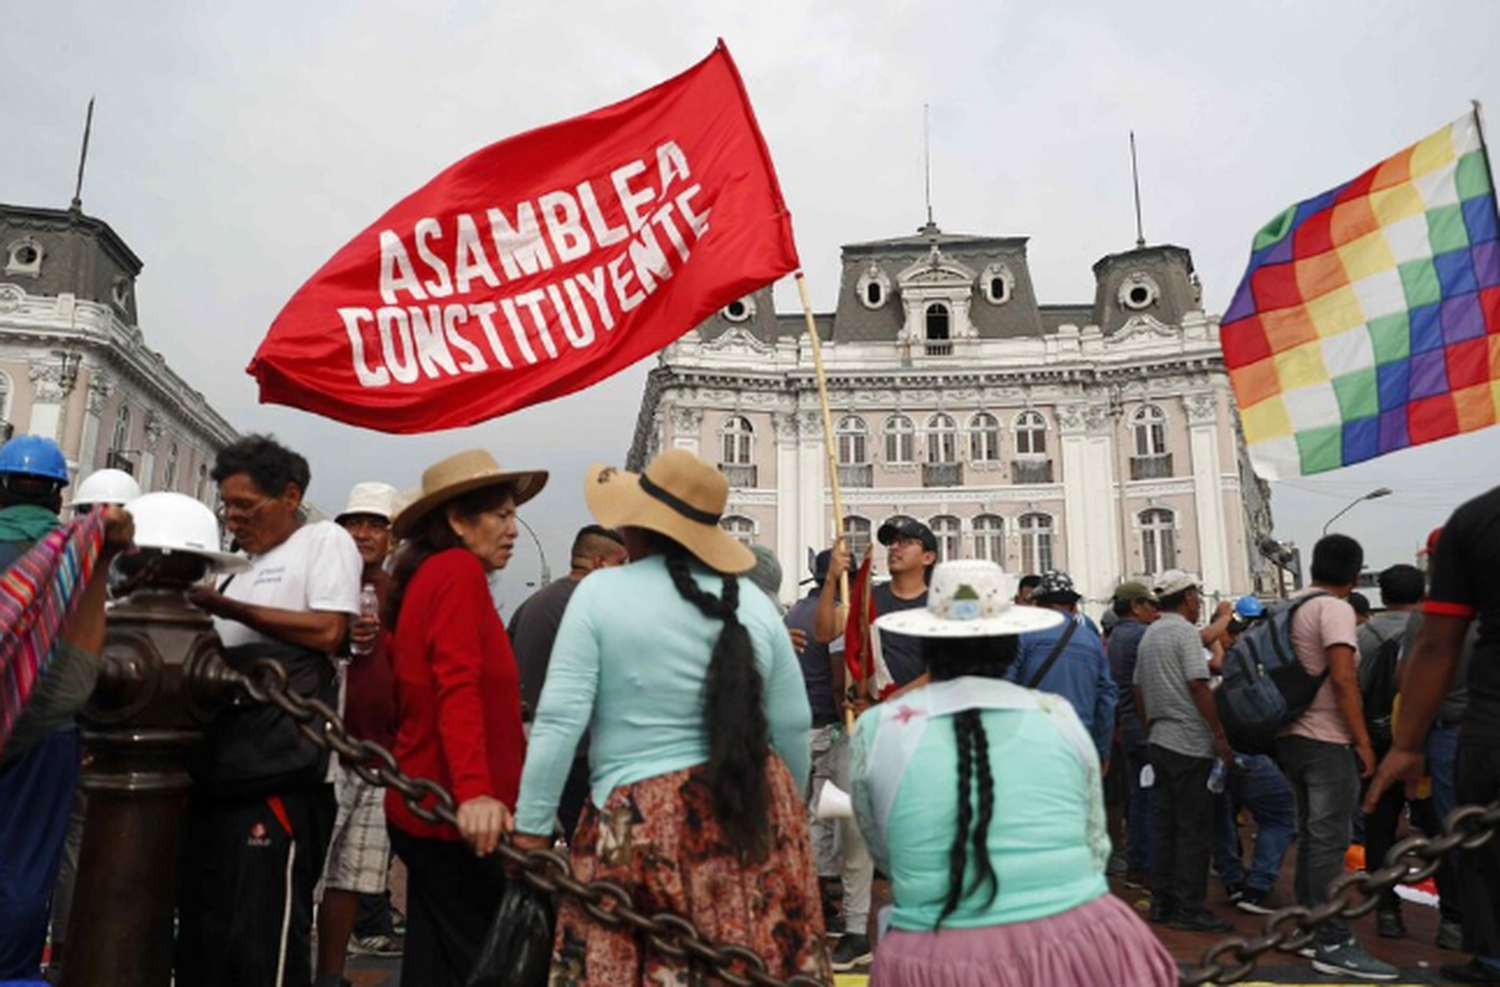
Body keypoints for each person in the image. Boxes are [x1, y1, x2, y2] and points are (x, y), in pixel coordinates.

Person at [510, 449, 828, 985]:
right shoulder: (753, 605)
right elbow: (792, 724)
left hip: (633, 819)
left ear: (638, 526)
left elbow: (560, 720)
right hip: (752, 806)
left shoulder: (600, 594)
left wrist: (532, 830)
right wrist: (784, 813)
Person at [850, 559, 1178, 986]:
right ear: (1009, 642)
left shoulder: (878, 728)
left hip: (936, 953)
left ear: (928, 644)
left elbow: (885, 849)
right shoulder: (1057, 715)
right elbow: (1094, 843)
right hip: (1082, 945)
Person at [179, 435, 363, 987]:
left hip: (282, 775)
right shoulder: (233, 571)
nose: (234, 519)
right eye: (228, 507)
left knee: (265, 937)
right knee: (206, 931)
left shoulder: (322, 543)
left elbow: (331, 630)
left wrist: (228, 607)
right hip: (219, 775)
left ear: (289, 496)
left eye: (246, 506)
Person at [384, 449, 545, 987]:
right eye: (500, 515)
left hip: (435, 806)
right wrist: (475, 792)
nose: (513, 530)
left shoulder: (433, 575)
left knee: (437, 964)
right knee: (485, 966)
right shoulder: (455, 572)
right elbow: (457, 687)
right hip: (460, 816)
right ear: (456, 519)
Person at [0, 436, 135, 981]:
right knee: (27, 863)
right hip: (48, 731)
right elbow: (83, 660)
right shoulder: (71, 555)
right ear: (57, 496)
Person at [1367, 491, 1500, 985]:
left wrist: (1405, 746)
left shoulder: (1477, 521)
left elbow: (1428, 658)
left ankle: (1482, 948)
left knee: (1466, 837)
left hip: (1471, 732)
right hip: (1471, 728)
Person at [816, 517, 938, 970]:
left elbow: (942, 670)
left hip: (917, 732)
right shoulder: (868, 596)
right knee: (854, 831)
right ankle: (853, 931)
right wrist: (832, 579)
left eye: (907, 542)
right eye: (891, 542)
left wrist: (888, 703)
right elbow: (827, 631)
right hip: (862, 730)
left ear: (928, 556)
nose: (896, 548)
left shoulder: (938, 607)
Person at [1274, 534, 1395, 980]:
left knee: (1312, 837)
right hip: (1326, 738)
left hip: (1289, 734)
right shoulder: (1335, 608)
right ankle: (1332, 940)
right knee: (1330, 840)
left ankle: (1311, 927)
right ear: (1354, 572)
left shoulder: (1288, 607)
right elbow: (1344, 679)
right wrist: (1363, 741)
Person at [45, 465, 143, 974]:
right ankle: (69, 948)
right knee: (79, 849)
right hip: (89, 734)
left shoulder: (51, 568)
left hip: (54, 732)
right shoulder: (133, 580)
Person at [315, 482, 404, 987]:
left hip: (379, 752)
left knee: (352, 873)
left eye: (376, 524)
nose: (363, 533)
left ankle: (331, 973)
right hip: (325, 749)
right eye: (355, 523)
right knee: (313, 866)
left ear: (392, 536)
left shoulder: (400, 592)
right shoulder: (323, 580)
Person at [1133, 569, 1235, 933]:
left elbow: (1139, 690)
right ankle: (1189, 907)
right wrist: (1219, 735)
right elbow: (1198, 684)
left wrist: (1151, 728)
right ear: (1188, 597)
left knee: (1166, 824)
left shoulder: (1151, 635)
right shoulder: (1183, 634)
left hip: (1160, 739)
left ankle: (1163, 900)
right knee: (1193, 828)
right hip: (1189, 742)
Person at [507, 524, 626, 838]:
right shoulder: (595, 607)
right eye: (622, 564)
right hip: (581, 756)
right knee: (596, 853)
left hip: (531, 751)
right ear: (601, 563)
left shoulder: (530, 605)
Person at [1207, 597, 1295, 916]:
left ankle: (1232, 880)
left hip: (1222, 751)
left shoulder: (1231, 664)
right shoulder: (1264, 659)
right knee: (1280, 815)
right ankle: (1257, 888)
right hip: (1250, 751)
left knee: (1222, 816)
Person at [1353, 563, 1425, 940]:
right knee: (1443, 828)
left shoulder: (1361, 635)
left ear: (1383, 596)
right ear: (1422, 593)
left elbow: (1351, 690)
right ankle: (1454, 920)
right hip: (1427, 746)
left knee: (1379, 829)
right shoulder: (1436, 633)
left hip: (1378, 744)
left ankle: (1387, 912)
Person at [784, 549, 844, 930]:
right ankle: (818, 902)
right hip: (825, 723)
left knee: (796, 814)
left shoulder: (791, 614)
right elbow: (839, 681)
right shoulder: (836, 614)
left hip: (793, 725)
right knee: (822, 819)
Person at [1008, 569, 1117, 764]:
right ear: (1074, 607)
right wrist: (1102, 751)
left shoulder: (1023, 637)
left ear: (1038, 604)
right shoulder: (1092, 641)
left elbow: (1005, 687)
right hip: (1080, 744)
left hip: (1032, 743)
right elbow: (1107, 699)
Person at [1108, 581, 1159, 888]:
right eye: (1149, 604)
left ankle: (1138, 864)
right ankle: (1149, 864)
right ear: (1136, 606)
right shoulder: (1141, 635)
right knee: (1152, 798)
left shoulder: (1116, 636)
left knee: (1138, 797)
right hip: (1143, 724)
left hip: (1126, 725)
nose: (1154, 610)